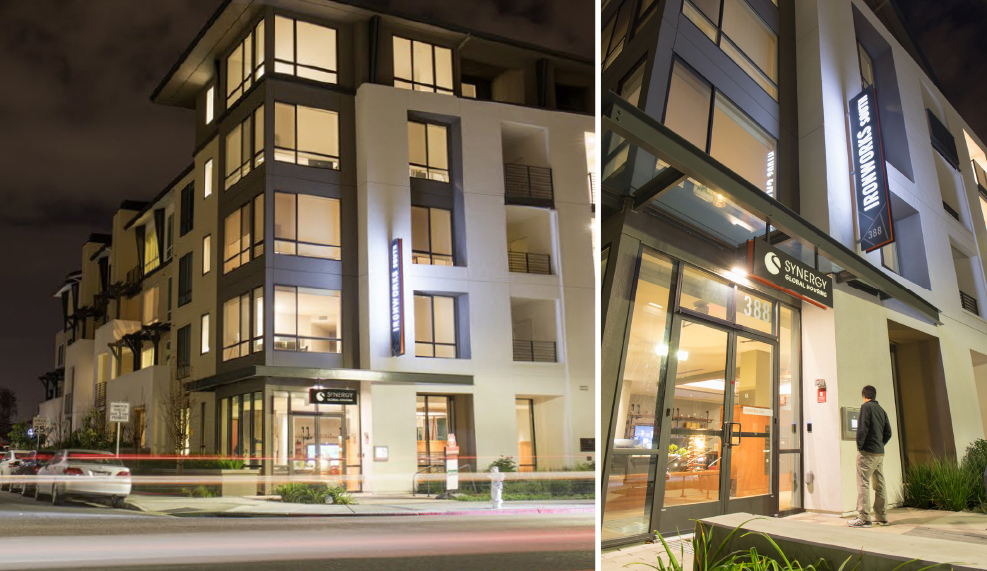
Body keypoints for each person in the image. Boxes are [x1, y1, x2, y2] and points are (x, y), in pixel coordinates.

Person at [849, 385, 893, 527]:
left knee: (863, 483)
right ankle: (881, 516)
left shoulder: (866, 408)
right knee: (879, 484)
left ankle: (863, 517)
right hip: (879, 453)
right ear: (874, 395)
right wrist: (880, 444)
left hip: (867, 453)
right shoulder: (882, 410)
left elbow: (862, 429)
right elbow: (888, 433)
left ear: (864, 396)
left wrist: (861, 447)